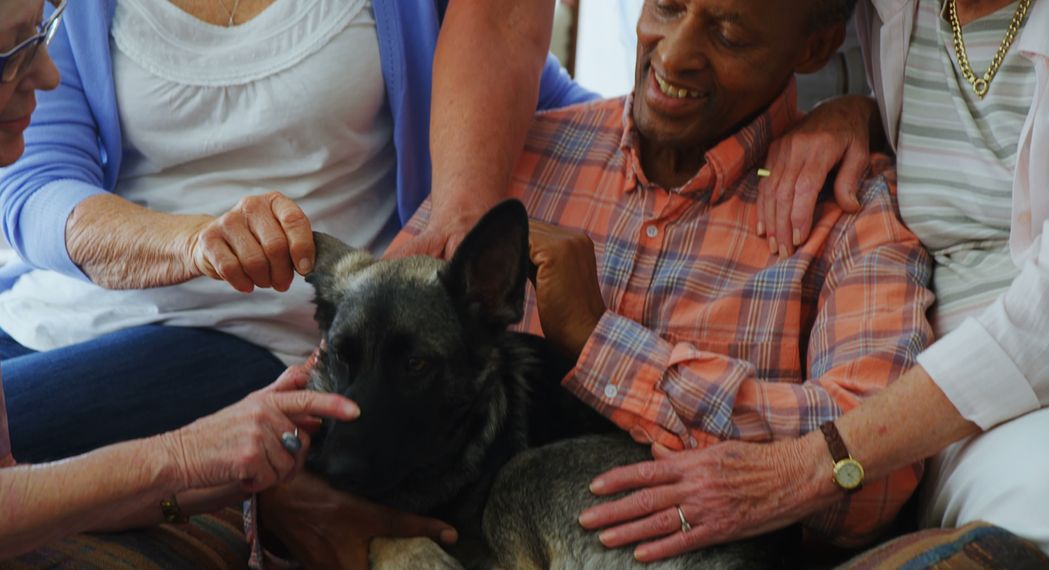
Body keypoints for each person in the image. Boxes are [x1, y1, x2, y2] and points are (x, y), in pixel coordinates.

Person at [364, 0, 934, 561]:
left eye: (729, 35)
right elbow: (348, 377)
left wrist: (598, 343)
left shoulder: (850, 213)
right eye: (666, 5)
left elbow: (873, 480)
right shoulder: (513, 161)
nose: (676, 52)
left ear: (815, 47)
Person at [0, 0, 595, 463]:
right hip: (46, 312)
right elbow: (36, 188)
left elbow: (543, 88)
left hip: (250, 341)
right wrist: (191, 241)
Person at [606, 0, 1049, 567]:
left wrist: (809, 466)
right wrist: (858, 112)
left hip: (1045, 389)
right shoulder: (888, 11)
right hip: (932, 396)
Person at [0, 5, 362, 560]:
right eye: (13, 49)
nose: (49, 75)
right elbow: (36, 186)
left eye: (41, 31)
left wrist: (208, 475)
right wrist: (183, 457)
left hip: (247, 338)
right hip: (59, 306)